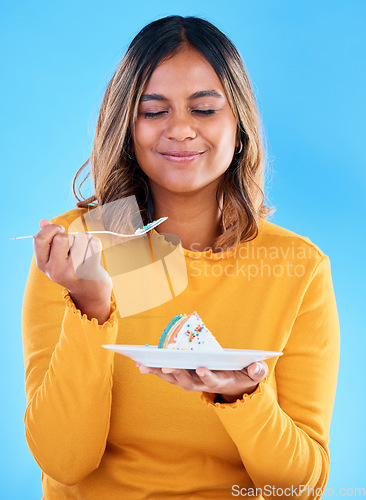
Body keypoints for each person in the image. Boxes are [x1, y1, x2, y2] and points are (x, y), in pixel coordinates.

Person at [22, 15, 340, 499]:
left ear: (240, 130)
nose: (181, 130)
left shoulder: (298, 267)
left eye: (205, 109)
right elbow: (65, 461)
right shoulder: (77, 248)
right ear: (127, 129)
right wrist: (90, 304)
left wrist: (242, 396)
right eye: (154, 112)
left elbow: (298, 488)